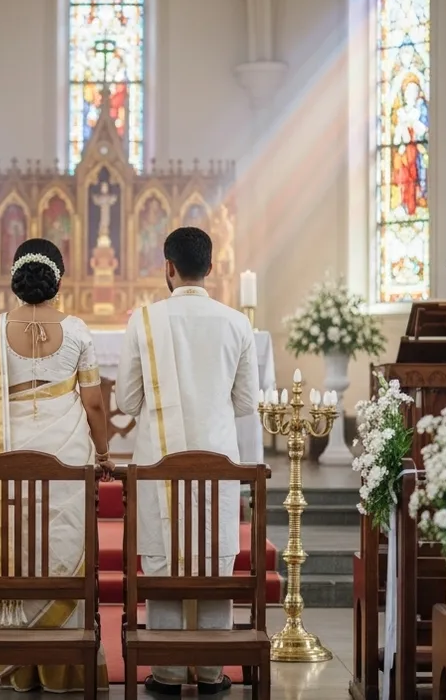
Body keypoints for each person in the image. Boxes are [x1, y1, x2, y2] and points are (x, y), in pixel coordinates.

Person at [0, 238, 113, 693]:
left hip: (5, 452)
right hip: (64, 452)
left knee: (18, 541)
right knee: (61, 540)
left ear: (15, 277)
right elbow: (94, 405)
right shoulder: (79, 330)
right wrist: (104, 455)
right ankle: (62, 665)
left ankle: (16, 661)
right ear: (58, 279)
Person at [116, 226, 260, 696]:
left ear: (168, 268)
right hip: (218, 461)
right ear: (211, 267)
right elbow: (244, 403)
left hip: (159, 459)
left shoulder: (145, 320)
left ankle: (169, 669)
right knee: (215, 556)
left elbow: (128, 399)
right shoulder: (237, 323)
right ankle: (213, 670)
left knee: (162, 557)